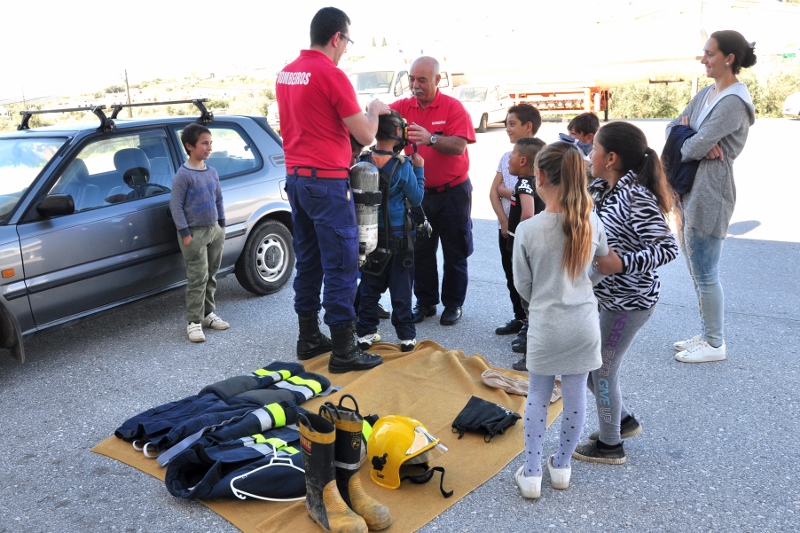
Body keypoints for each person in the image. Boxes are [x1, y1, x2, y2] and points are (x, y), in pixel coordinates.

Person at [276, 7, 391, 373]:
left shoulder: (287, 73)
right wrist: (374, 108)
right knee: (341, 263)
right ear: (336, 37)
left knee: (308, 260)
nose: (345, 50)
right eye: (347, 41)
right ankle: (344, 349)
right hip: (326, 183)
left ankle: (308, 336)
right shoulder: (331, 73)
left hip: (297, 179)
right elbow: (366, 134)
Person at [572, 122, 679, 465]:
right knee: (594, 368)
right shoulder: (605, 188)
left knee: (601, 371)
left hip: (629, 304)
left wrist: (623, 264)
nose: (590, 155)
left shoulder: (637, 198)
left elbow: (667, 248)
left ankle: (610, 445)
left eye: (595, 150)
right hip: (609, 299)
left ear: (612, 157)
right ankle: (622, 421)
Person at [512, 142, 609, 499]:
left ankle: (533, 472)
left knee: (538, 394)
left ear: (539, 177)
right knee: (575, 396)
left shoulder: (528, 230)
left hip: (545, 325)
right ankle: (563, 466)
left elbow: (523, 285)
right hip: (583, 324)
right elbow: (600, 266)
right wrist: (583, 284)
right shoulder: (590, 221)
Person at [666, 30, 756, 364]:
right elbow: (673, 129)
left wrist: (690, 138)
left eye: (709, 54)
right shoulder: (706, 94)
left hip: (711, 192)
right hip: (689, 188)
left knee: (705, 271)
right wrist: (689, 136)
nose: (703, 59)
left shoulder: (733, 102)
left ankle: (715, 343)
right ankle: (706, 334)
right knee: (695, 268)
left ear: (729, 58)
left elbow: (691, 146)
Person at [389, 56, 476, 326]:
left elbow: (459, 146)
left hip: (453, 192)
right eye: (412, 79)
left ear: (438, 80)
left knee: (455, 251)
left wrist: (431, 138)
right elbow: (376, 114)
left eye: (422, 80)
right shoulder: (403, 107)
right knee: (421, 251)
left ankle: (453, 304)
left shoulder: (453, 107)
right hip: (420, 193)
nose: (415, 85)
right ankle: (425, 303)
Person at [356, 110, 425, 352]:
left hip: (368, 235)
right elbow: (416, 199)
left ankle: (365, 333)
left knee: (369, 286)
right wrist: (419, 170)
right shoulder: (403, 165)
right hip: (398, 237)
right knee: (401, 286)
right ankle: (406, 337)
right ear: (398, 133)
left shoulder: (362, 161)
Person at [169, 123, 228, 343]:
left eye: (210, 143)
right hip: (193, 234)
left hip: (214, 230)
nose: (209, 147)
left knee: (212, 274)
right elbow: (176, 206)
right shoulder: (183, 176)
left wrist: (222, 226)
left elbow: (219, 199)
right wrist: (185, 234)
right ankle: (193, 321)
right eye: (204, 143)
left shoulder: (211, 172)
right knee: (197, 277)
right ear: (189, 146)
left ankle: (207, 314)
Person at [488, 104, 542, 345]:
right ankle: (520, 318)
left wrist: (510, 192)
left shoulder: (543, 156)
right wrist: (503, 221)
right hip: (509, 228)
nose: (507, 128)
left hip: (525, 234)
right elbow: (494, 191)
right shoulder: (506, 158)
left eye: (512, 124)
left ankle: (533, 326)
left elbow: (531, 200)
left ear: (527, 126)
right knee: (513, 276)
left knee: (530, 281)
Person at [504, 137, 546, 371]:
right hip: (535, 250)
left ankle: (532, 354)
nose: (508, 158)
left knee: (529, 302)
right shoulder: (537, 182)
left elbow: (527, 215)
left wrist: (520, 239)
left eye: (512, 154)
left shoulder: (523, 184)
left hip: (524, 251)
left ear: (522, 160)